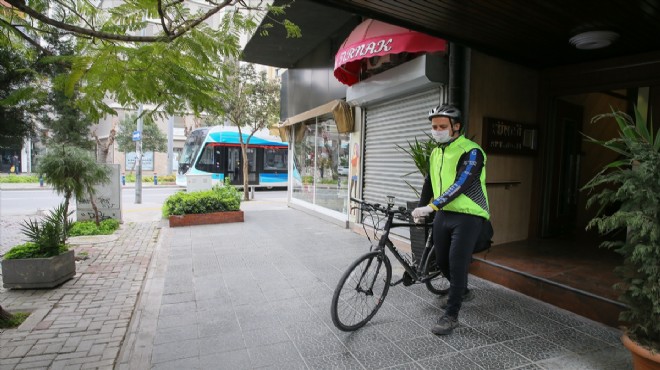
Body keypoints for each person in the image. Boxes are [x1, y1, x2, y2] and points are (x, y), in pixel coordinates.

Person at [411, 104, 490, 336]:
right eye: (434, 126)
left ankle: (451, 315)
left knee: (457, 264)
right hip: (444, 215)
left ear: (456, 127)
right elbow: (429, 183)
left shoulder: (472, 151)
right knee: (442, 261)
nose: (437, 130)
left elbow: (462, 183)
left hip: (468, 215)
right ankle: (462, 291)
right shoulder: (436, 152)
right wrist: (420, 208)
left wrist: (432, 206)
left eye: (442, 126)